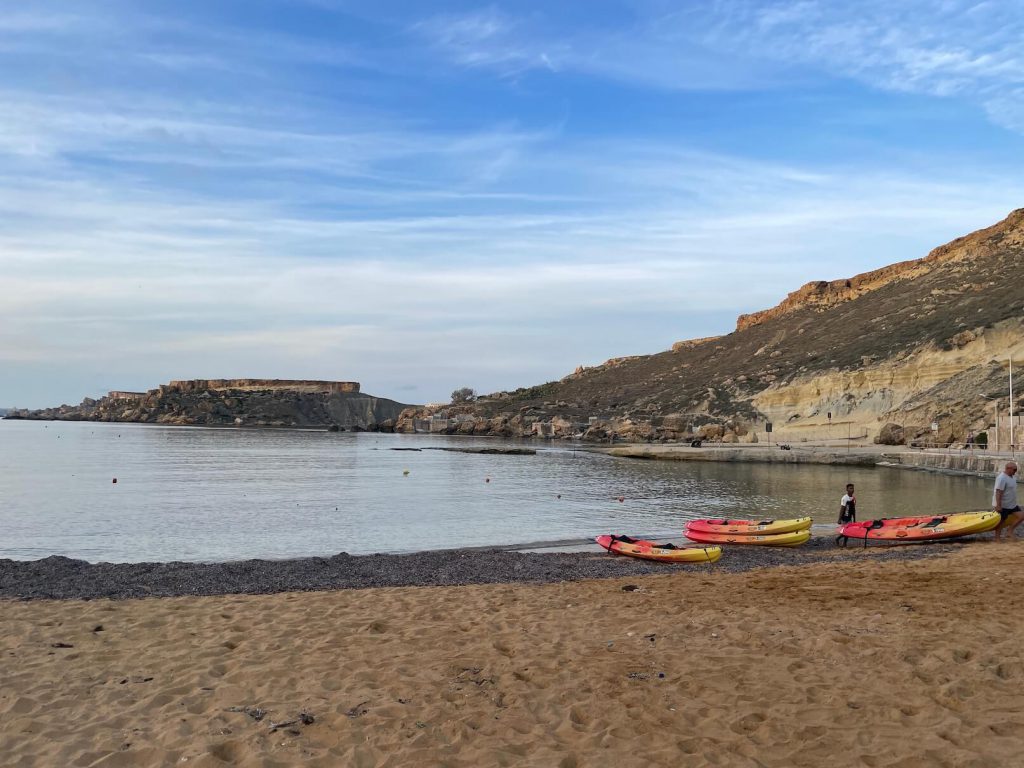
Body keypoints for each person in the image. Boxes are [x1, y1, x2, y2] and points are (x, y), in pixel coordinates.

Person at [993, 461, 1022, 542]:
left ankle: (1009, 531)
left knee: (1021, 516)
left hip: (1012, 504)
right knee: (1001, 522)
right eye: (1014, 470)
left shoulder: (1012, 477)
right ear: (1008, 469)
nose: (1015, 471)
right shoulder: (1001, 478)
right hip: (1003, 504)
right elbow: (998, 492)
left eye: (1016, 470)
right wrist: (998, 505)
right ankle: (997, 538)